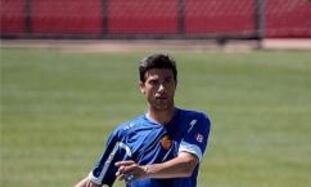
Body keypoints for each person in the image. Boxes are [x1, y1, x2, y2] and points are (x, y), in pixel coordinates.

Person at [75, 53, 211, 187]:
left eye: (167, 81)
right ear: (142, 87)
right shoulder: (124, 135)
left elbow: (187, 165)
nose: (162, 89)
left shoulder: (193, 122)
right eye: (154, 82)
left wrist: (144, 171)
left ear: (175, 84)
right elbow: (94, 181)